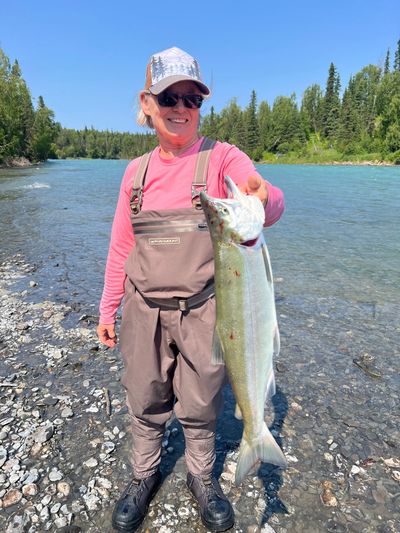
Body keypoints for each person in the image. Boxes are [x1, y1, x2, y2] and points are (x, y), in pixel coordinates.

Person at [97, 46, 285, 533]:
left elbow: (269, 200)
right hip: (144, 309)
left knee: (202, 401)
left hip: (204, 309)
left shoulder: (221, 158)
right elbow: (121, 245)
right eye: (169, 97)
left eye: (192, 98)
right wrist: (108, 307)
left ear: (201, 105)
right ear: (147, 103)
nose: (181, 107)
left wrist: (264, 196)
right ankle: (143, 475)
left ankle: (201, 477)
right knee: (144, 396)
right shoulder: (133, 174)